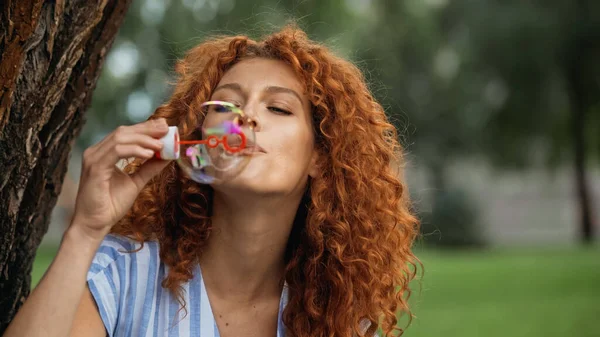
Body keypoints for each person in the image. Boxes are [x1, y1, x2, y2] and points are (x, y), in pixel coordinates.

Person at [5, 25, 420, 337]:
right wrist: (85, 232)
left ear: (318, 157)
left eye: (277, 108)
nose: (246, 117)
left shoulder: (332, 308)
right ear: (202, 142)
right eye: (227, 105)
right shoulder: (122, 272)